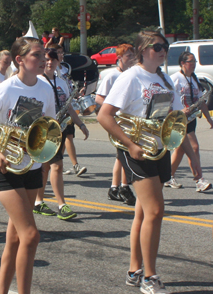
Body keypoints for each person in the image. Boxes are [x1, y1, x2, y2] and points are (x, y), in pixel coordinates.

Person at [97, 31, 201, 294]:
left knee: (143, 212)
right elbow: (104, 116)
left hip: (158, 149)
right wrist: (130, 145)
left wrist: (192, 157)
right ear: (142, 50)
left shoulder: (164, 78)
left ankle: (135, 270)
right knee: (155, 211)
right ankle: (150, 277)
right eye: (157, 46)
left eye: (165, 47)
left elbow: (177, 122)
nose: (163, 50)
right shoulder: (131, 76)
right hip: (136, 150)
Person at [0, 37, 55, 294]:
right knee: (30, 235)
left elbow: (46, 126)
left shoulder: (45, 88)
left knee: (15, 238)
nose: (43, 60)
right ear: (20, 60)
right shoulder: (6, 88)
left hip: (32, 168)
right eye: (37, 55)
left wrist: (42, 148)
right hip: (5, 168)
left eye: (44, 55)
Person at [33, 49, 89, 220]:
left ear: (58, 62)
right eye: (47, 59)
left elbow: (69, 106)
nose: (49, 63)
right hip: (45, 130)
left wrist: (80, 124)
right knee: (50, 166)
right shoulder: (37, 82)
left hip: (61, 128)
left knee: (51, 166)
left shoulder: (62, 82)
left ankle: (48, 203)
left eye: (53, 60)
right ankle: (50, 203)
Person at [95, 44, 137, 205]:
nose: (131, 59)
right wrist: (113, 107)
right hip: (117, 120)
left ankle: (115, 187)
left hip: (131, 120)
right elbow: (98, 98)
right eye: (128, 56)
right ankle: (123, 187)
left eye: (133, 56)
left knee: (121, 155)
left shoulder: (134, 75)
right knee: (124, 153)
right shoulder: (112, 76)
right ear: (119, 58)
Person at [166, 51, 213, 192]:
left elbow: (201, 102)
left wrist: (209, 119)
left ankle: (168, 176)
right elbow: (166, 98)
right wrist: (178, 112)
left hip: (191, 119)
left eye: (194, 62)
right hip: (178, 119)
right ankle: (199, 180)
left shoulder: (194, 79)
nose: (193, 65)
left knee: (180, 150)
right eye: (191, 62)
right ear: (183, 63)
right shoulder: (175, 78)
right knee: (194, 148)